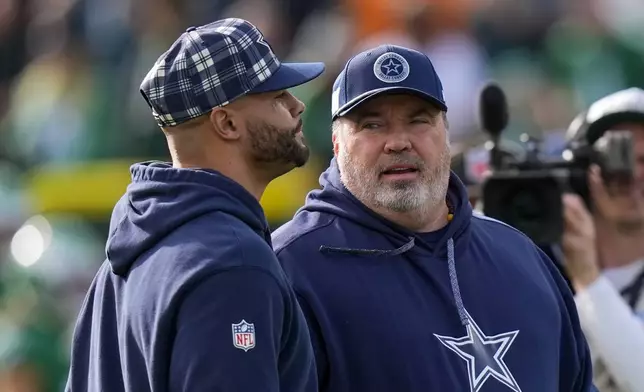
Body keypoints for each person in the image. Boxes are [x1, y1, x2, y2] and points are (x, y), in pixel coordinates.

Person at [272, 44, 596, 391]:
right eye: (372, 125)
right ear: (336, 143)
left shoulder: (521, 255)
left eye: (418, 121)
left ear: (446, 134)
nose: (398, 142)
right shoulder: (291, 268)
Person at [65, 18, 325, 392]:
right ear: (227, 123)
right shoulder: (233, 261)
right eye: (276, 96)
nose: (297, 105)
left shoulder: (120, 260)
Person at [561, 88, 644, 392]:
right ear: (582, 174)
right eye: (615, 157)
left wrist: (587, 277)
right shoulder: (540, 267)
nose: (632, 174)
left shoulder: (576, 273)